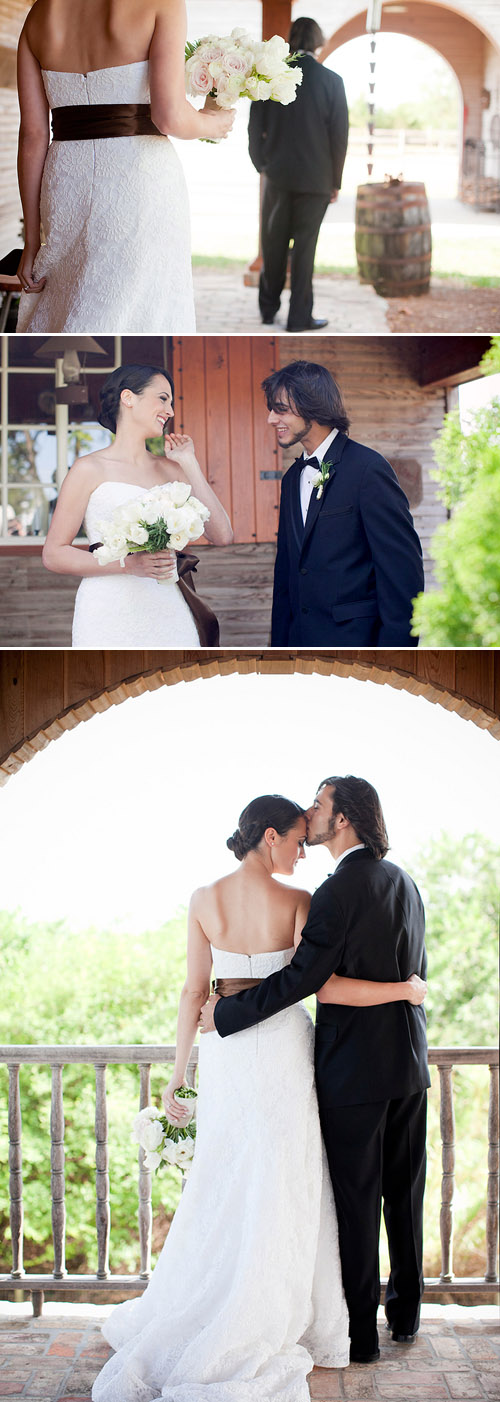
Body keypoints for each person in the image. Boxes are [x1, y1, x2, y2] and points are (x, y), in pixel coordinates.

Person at [92, 794, 426, 1401]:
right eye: (298, 839)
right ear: (270, 837)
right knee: (291, 1176)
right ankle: (308, 1309)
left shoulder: (203, 899)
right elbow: (311, 984)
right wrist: (405, 989)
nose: (304, 849)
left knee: (229, 1175)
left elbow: (194, 992)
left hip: (225, 1051)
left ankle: (226, 1297)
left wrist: (177, 1072)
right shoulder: (302, 900)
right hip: (283, 1049)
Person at [202, 777, 430, 1366]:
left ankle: (361, 1338)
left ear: (345, 818)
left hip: (354, 1073)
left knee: (357, 1202)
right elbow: (414, 979)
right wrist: (405, 991)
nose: (311, 811)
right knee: (404, 1196)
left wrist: (229, 1013)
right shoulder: (404, 882)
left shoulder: (333, 892)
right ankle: (405, 1316)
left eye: (321, 804)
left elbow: (309, 981)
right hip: (409, 1065)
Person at [15, 0, 235, 333]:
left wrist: (32, 241)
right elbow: (170, 116)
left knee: (67, 298)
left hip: (65, 181)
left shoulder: (39, 13)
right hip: (138, 178)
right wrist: (213, 124)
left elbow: (32, 135)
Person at [42, 363, 233, 646]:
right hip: (107, 609)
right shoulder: (87, 469)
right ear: (128, 398)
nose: (171, 411)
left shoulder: (173, 470)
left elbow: (222, 535)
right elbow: (54, 554)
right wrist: (129, 565)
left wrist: (189, 463)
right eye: (163, 398)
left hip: (168, 605)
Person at [263, 360, 425, 646]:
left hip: (356, 643)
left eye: (281, 409)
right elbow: (286, 572)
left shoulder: (368, 469)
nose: (271, 419)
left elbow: (402, 574)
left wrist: (396, 655)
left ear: (312, 406)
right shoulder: (291, 479)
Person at [248, 17, 348, 332]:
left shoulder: (271, 77)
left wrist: (261, 164)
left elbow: (254, 129)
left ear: (290, 40)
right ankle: (299, 318)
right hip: (317, 181)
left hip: (277, 176)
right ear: (319, 42)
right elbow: (340, 137)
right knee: (305, 249)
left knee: (273, 243)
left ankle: (267, 310)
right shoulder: (332, 81)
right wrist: (335, 181)